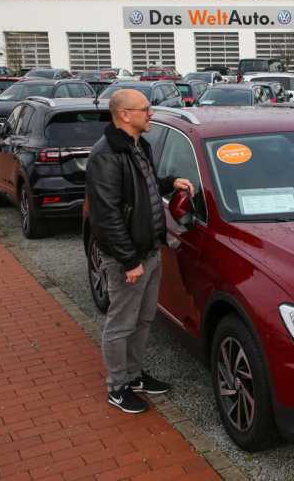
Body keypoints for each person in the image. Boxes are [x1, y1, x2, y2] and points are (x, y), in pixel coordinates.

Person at [86, 89, 195, 413]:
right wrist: (128, 260)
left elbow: (142, 189)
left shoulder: (137, 146)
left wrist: (169, 181)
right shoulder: (106, 155)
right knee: (121, 323)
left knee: (143, 319)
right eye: (145, 109)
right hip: (128, 259)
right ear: (124, 115)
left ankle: (135, 377)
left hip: (148, 251)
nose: (151, 114)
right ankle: (117, 388)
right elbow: (105, 217)